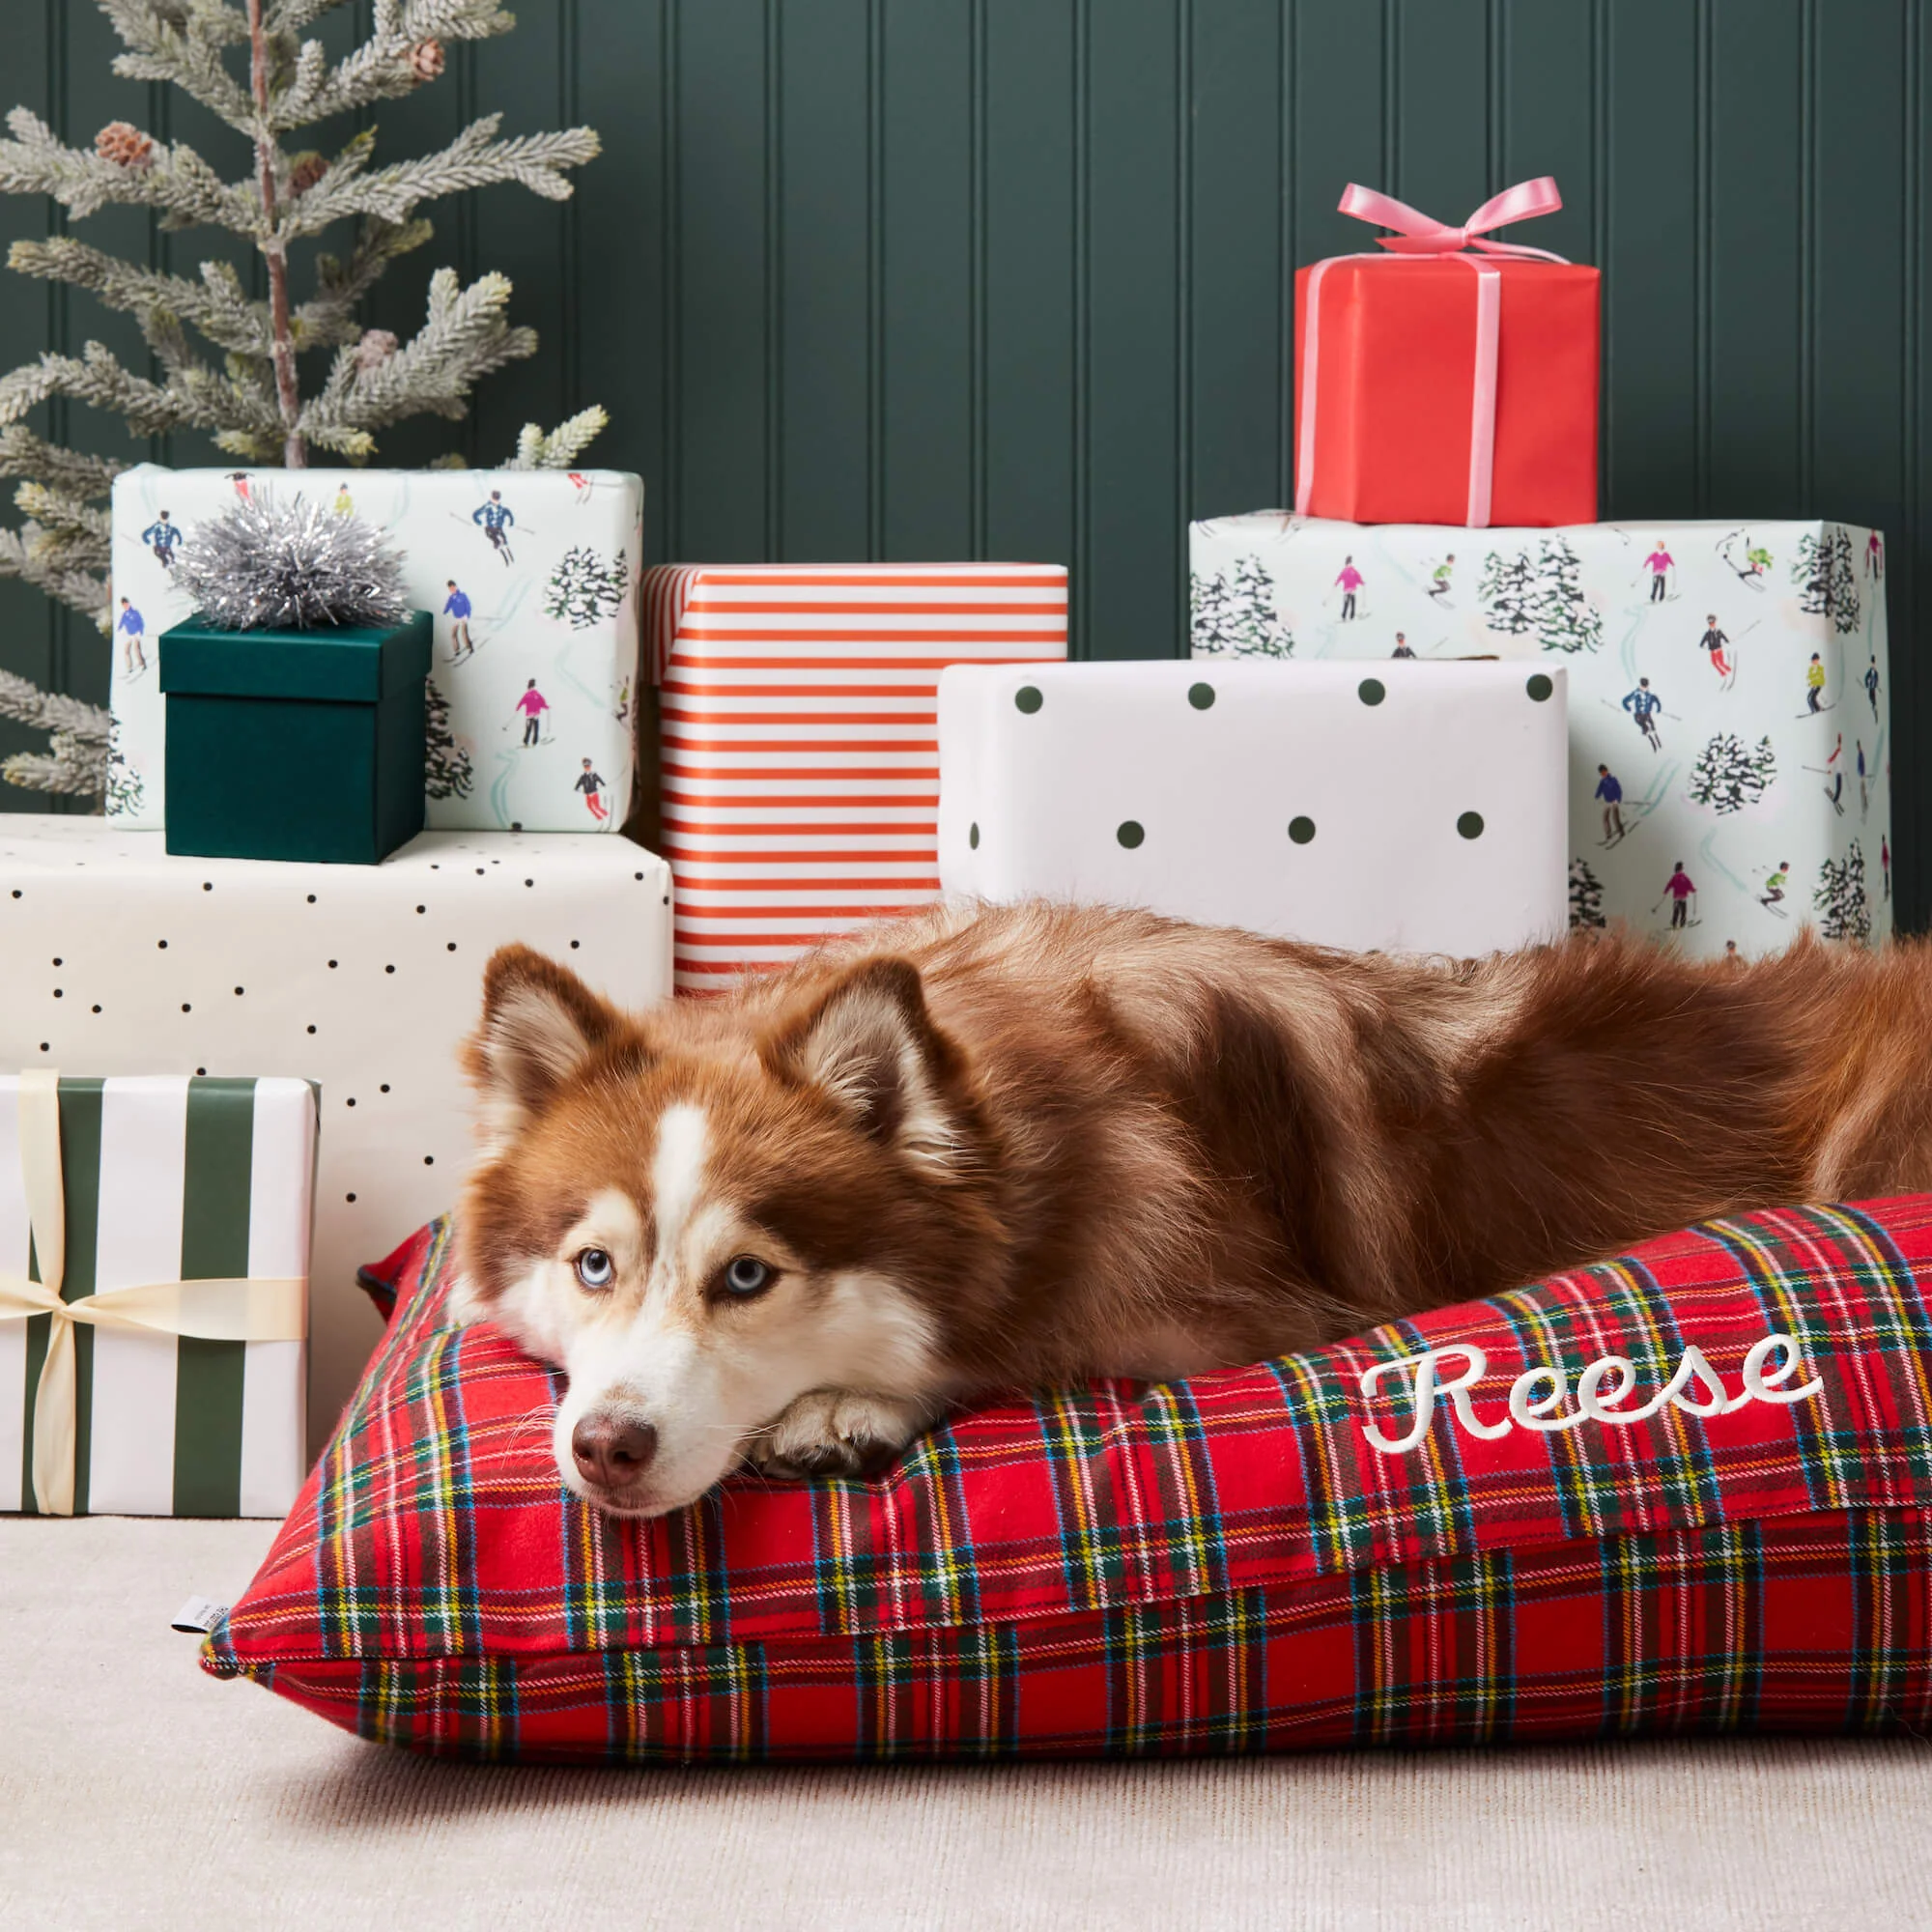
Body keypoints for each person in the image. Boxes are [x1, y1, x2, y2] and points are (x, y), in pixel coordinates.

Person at [474, 489, 515, 564]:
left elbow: (509, 514)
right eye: (494, 499)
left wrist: (511, 522)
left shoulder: (501, 508)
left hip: (498, 528)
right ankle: (497, 543)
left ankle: (505, 544)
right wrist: (478, 522)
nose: (496, 501)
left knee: (502, 535)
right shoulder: (488, 507)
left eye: (497, 499)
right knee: (490, 534)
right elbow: (476, 513)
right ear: (492, 498)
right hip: (490, 528)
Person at [1623, 676, 1662, 749]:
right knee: (1642, 723)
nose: (1644, 688)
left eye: (1646, 686)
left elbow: (1656, 700)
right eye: (1643, 686)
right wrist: (1628, 708)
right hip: (1639, 715)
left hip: (1647, 714)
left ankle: (1654, 732)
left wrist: (1658, 708)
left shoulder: (1650, 695)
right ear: (1640, 685)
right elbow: (1625, 700)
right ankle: (1646, 731)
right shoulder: (1636, 693)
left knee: (1651, 724)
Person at [512, 678, 549, 747]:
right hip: (536, 715)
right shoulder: (537, 694)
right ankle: (534, 742)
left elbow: (521, 702)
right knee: (536, 729)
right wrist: (546, 707)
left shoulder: (527, 694)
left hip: (529, 715)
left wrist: (517, 708)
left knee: (528, 729)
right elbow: (542, 703)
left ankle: (526, 742)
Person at [1661, 862, 1696, 930]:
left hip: (1676, 898)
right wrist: (1693, 890)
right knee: (1683, 912)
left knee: (1676, 912)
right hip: (1683, 898)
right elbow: (1689, 886)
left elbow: (1669, 885)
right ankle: (1682, 924)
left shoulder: (1674, 877)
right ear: (1681, 868)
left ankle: (1674, 924)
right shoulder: (1685, 877)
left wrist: (1665, 891)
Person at [442, 580, 473, 661]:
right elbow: (448, 605)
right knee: (453, 634)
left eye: (452, 588)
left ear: (455, 587)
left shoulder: (462, 595)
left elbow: (468, 605)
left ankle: (469, 647)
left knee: (464, 634)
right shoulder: (451, 598)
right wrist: (445, 611)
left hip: (463, 617)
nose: (451, 590)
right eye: (450, 589)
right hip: (456, 618)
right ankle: (456, 650)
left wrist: (468, 615)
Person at [1595, 764, 1625, 842]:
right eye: (1601, 773)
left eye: (1604, 772)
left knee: (1615, 819)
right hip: (1607, 802)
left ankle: (1621, 831)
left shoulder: (1613, 780)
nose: (1603, 774)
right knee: (1605, 818)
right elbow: (1599, 790)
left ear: (1606, 771)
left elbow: (1619, 791)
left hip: (1614, 802)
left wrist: (1617, 800)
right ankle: (1608, 834)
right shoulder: (1602, 781)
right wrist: (1596, 796)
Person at [116, 597, 146, 675]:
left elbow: (141, 622)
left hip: (136, 634)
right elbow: (121, 623)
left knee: (136, 649)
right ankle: (129, 667)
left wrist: (141, 632)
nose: (125, 606)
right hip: (129, 635)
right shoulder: (124, 615)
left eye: (126, 604)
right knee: (126, 651)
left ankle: (142, 664)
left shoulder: (135, 612)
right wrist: (118, 629)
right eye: (124, 605)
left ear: (128, 603)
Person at [1698, 612, 1731, 681]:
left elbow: (1724, 637)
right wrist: (1702, 646)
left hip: (1719, 650)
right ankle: (1722, 673)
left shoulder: (1718, 631)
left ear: (1715, 623)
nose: (1711, 624)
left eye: (1713, 623)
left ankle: (1729, 670)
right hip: (1712, 651)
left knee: (1721, 663)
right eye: (1710, 623)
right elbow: (1702, 642)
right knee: (1714, 663)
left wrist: (1727, 641)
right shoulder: (1707, 634)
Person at [575, 758, 609, 822]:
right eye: (585, 767)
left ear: (590, 766)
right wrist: (576, 788)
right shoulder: (583, 776)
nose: (587, 768)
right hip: (587, 794)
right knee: (589, 806)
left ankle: (606, 814)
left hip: (594, 793)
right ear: (584, 767)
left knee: (597, 806)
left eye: (588, 766)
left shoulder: (594, 775)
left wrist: (603, 784)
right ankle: (598, 817)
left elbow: (600, 780)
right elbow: (579, 783)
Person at [1334, 555, 1363, 621]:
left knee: (1346, 603)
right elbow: (1358, 577)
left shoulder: (1344, 571)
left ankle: (1343, 616)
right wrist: (1362, 582)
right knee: (1353, 603)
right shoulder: (1353, 570)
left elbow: (1340, 577)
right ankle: (1352, 616)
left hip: (1346, 590)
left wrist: (1336, 583)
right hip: (1352, 590)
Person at [1865, 655, 1881, 720]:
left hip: (1873, 688)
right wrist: (1866, 684)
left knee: (1872, 698)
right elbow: (1866, 678)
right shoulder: (1870, 671)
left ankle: (1874, 707)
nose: (1873, 665)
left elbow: (1876, 680)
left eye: (1873, 663)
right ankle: (1873, 706)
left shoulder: (1876, 672)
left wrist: (1877, 686)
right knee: (1871, 697)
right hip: (1871, 687)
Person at [1883, 836, 1892, 900]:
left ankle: (1887, 891)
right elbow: (1885, 855)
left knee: (1886, 876)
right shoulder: (1885, 846)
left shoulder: (1884, 846)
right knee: (1887, 876)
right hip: (1885, 863)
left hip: (1885, 863)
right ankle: (1886, 891)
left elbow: (1885, 855)